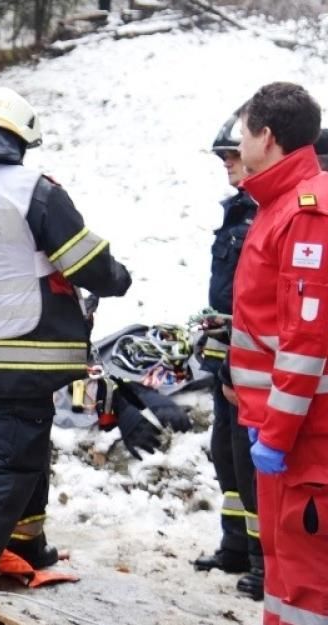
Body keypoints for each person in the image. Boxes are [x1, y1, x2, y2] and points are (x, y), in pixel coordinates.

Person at [0, 87, 131, 620]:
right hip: (30, 344)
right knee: (8, 461)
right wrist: (117, 278)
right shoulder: (31, 189)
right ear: (20, 139)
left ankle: (28, 545)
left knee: (26, 447)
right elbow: (87, 262)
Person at [227, 81, 328, 625]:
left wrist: (277, 434)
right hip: (282, 428)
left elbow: (307, 341)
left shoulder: (307, 211)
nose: (237, 144)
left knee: (308, 582)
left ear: (266, 136)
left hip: (306, 438)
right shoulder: (277, 205)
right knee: (283, 573)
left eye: (243, 133)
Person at [191, 112, 265, 600]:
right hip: (226, 359)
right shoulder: (238, 211)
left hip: (251, 363)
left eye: (233, 153)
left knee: (250, 460)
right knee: (227, 454)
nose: (226, 162)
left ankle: (265, 561)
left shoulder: (268, 213)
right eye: (221, 155)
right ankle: (236, 544)